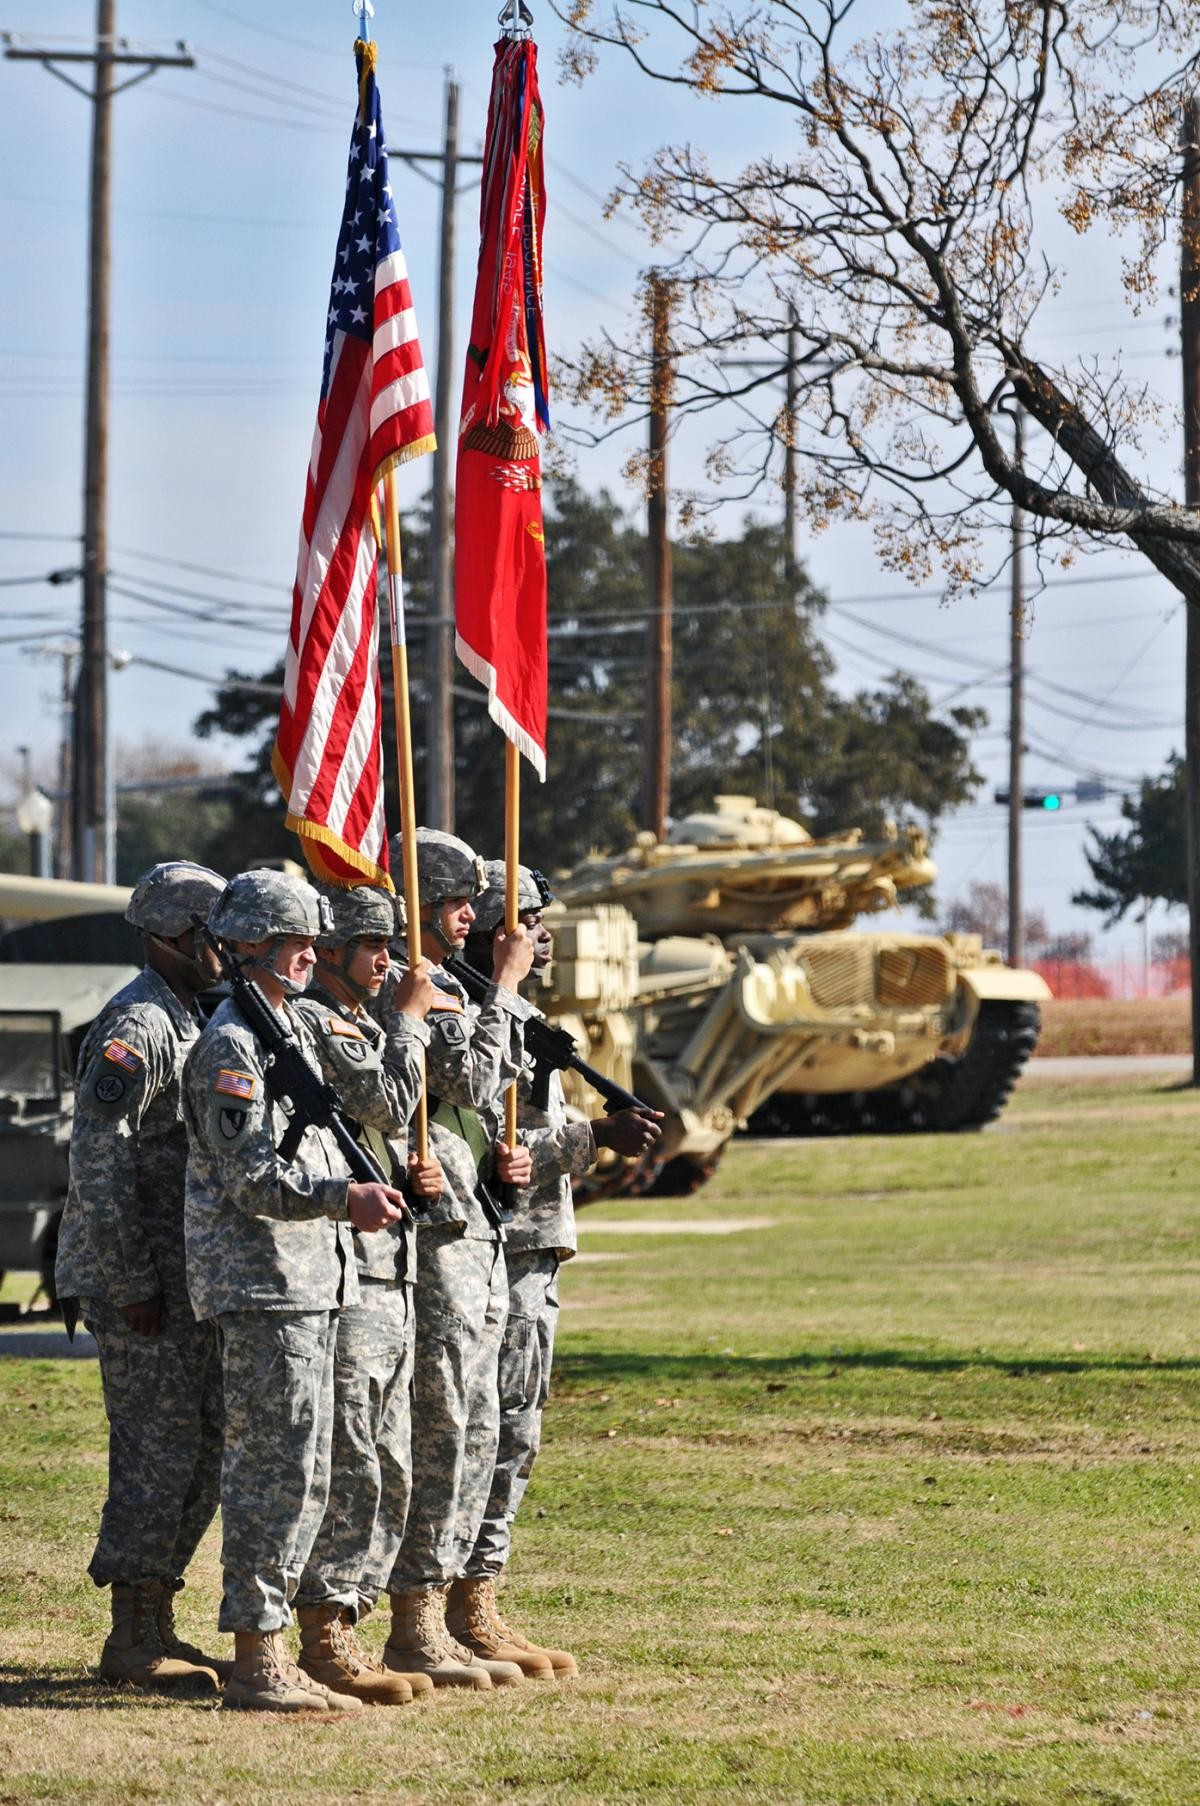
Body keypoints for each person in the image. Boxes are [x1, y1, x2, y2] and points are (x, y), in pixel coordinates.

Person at [182, 869, 406, 1716]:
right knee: (272, 1473)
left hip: (309, 1282)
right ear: (249, 947)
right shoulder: (234, 1046)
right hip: (262, 1284)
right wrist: (337, 1200)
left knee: (309, 1469)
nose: (312, 952)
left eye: (314, 939)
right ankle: (256, 1659)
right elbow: (249, 1179)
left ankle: (279, 1646)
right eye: (295, 941)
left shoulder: (288, 1031)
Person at [449, 863, 662, 1678]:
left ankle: (479, 1597)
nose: (542, 936)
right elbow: (481, 1152)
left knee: (516, 1431)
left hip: (534, 1245)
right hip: (490, 1247)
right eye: (527, 920)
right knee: (475, 1432)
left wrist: (601, 1142)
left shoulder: (527, 1016)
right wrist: (594, 1142)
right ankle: (443, 1605)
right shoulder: (473, 1018)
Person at [56, 860, 231, 1692]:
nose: (225, 950)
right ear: (174, 937)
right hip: (142, 1283)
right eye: (212, 935)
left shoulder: (191, 1016)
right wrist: (129, 1280)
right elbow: (98, 1159)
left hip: (180, 1276)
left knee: (202, 1448)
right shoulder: (139, 1026)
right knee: (158, 1452)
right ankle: (132, 1634)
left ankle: (156, 1616)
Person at [370, 828, 535, 1691]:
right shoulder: (407, 991)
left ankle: (444, 1611)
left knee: (475, 1430)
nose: (472, 915)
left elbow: (481, 1100)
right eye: (454, 899)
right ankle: (411, 1620)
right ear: (415, 904)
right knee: (437, 1433)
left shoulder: (453, 987)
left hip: (475, 1238)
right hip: (430, 1249)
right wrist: (503, 988)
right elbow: (469, 1081)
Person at [290, 882, 443, 1706]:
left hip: (386, 1270)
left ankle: (351, 1616)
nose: (388, 962)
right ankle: (322, 1630)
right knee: (351, 1458)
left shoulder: (360, 1024)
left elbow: (379, 1129)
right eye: (375, 946)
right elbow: (386, 1099)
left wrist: (408, 1177)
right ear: (336, 951)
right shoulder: (319, 1023)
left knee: (387, 1458)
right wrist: (412, 1021)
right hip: (344, 1276)